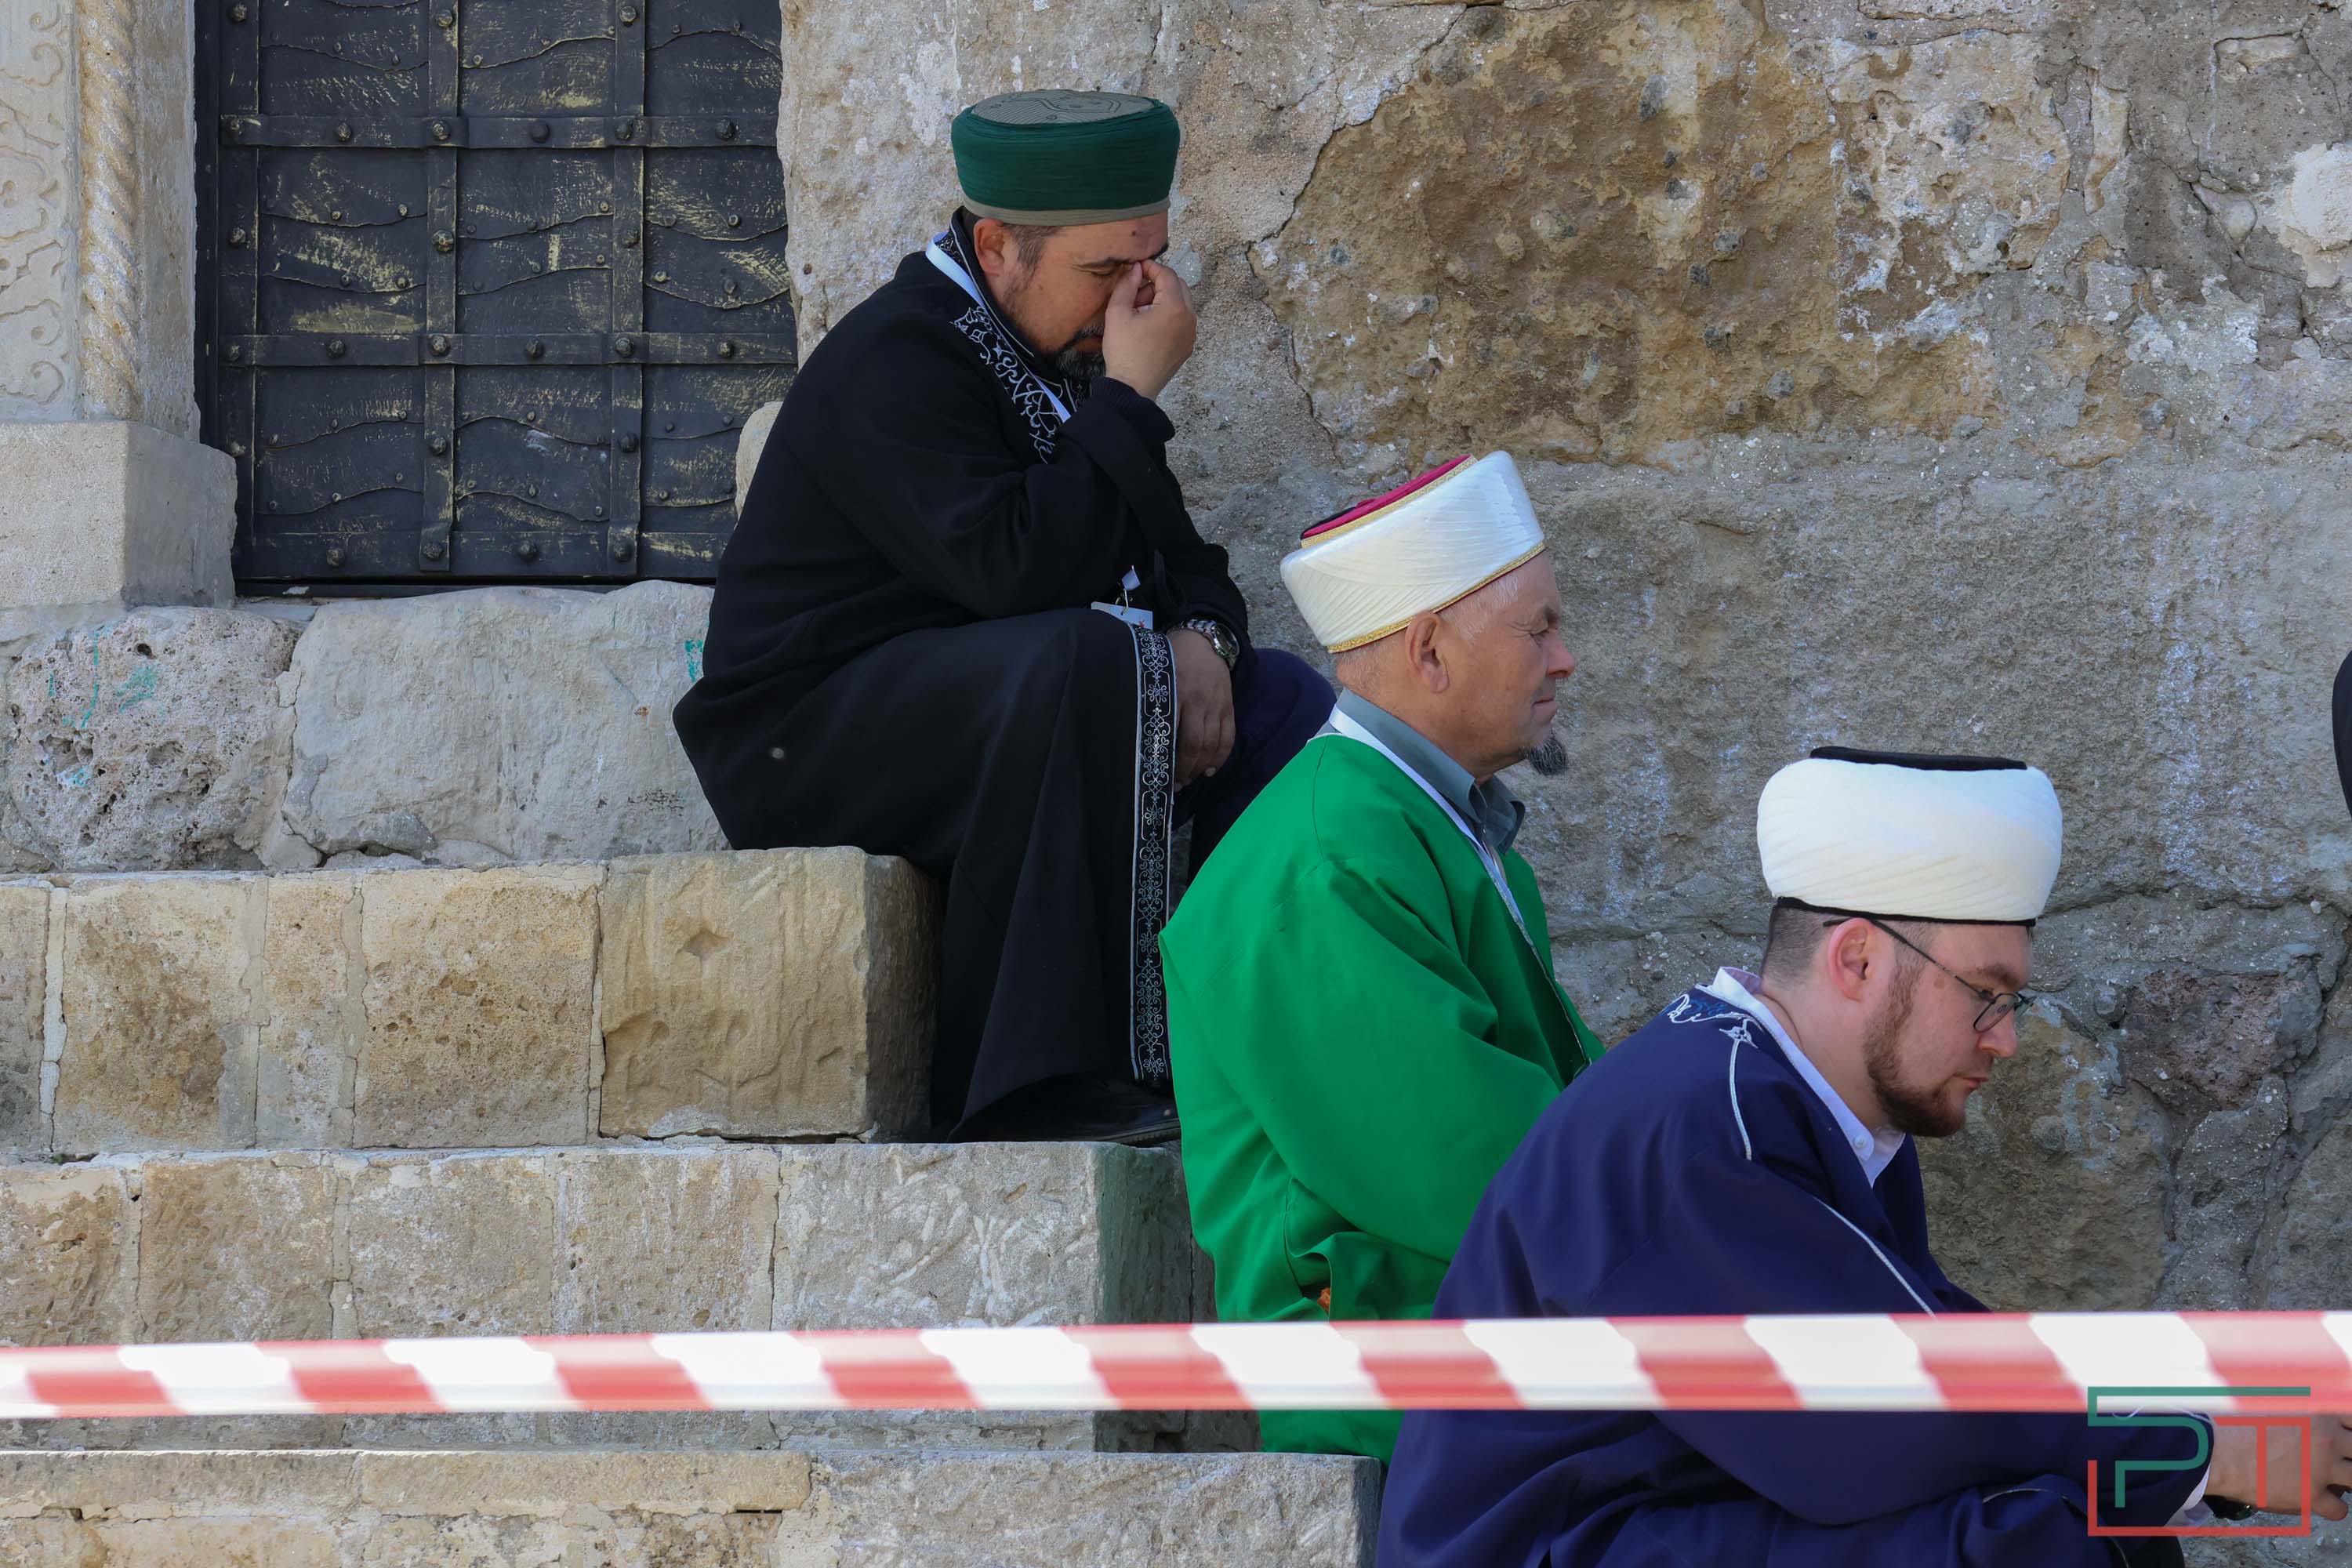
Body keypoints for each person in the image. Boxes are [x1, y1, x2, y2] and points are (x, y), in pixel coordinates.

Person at [1378, 748, 2352, 1566]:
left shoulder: (1795, 1095)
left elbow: (1932, 1360)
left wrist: (2207, 1443)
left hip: (1662, 1515)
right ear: (1856, 961)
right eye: (1986, 992)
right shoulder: (1702, 1124)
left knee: (2082, 1523)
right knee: (2044, 1543)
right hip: (1558, 1543)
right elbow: (1882, 1419)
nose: (2005, 1038)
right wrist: (2209, 1453)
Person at [673, 89, 1332, 1144]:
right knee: (1086, 659)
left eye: (1152, 263)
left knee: (1291, 709)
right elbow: (1015, 574)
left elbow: (1193, 565)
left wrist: (1204, 646)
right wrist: (1130, 400)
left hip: (1005, 703)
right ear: (998, 247)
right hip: (805, 737)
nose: (1138, 299)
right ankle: (1030, 1086)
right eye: (1107, 272)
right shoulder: (895, 360)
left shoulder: (1064, 365)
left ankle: (1265, 1055)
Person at [1160, 451, 1602, 1464]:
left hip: (1483, 1361)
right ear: (1431, 650)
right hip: (1399, 1404)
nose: (1564, 659)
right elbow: (1467, 1166)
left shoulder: (1423, 824)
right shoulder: (1327, 856)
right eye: (1539, 629)